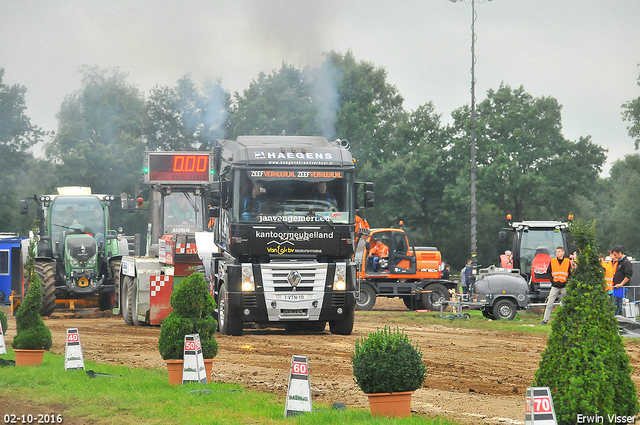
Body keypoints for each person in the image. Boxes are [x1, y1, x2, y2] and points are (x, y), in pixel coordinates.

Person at [541, 246, 571, 325]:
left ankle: (564, 320)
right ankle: (545, 320)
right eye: (557, 251)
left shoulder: (567, 261)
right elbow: (549, 272)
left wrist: (567, 282)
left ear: (563, 252)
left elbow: (570, 273)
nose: (557, 253)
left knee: (564, 304)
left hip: (564, 286)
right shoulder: (553, 261)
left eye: (559, 251)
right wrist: (552, 281)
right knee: (549, 303)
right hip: (555, 286)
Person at [611, 245, 633, 316]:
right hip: (618, 288)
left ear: (619, 253)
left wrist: (621, 284)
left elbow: (628, 275)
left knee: (621, 306)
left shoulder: (626, 262)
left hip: (623, 288)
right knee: (616, 305)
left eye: (615, 255)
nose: (615, 257)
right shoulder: (619, 262)